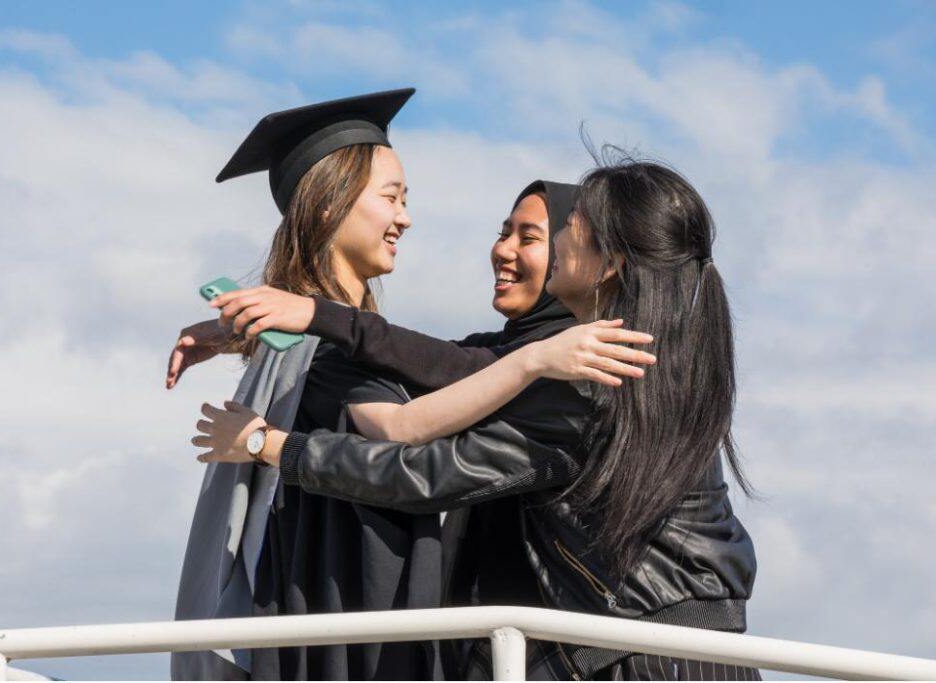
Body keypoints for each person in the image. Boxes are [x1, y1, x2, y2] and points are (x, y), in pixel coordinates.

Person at [197, 157, 759, 680]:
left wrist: (269, 445)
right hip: (676, 651)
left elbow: (424, 474)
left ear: (610, 262)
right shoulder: (641, 359)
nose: (559, 239)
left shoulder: (591, 379)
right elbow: (451, 362)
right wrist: (255, 328)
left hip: (650, 661)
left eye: (569, 226)